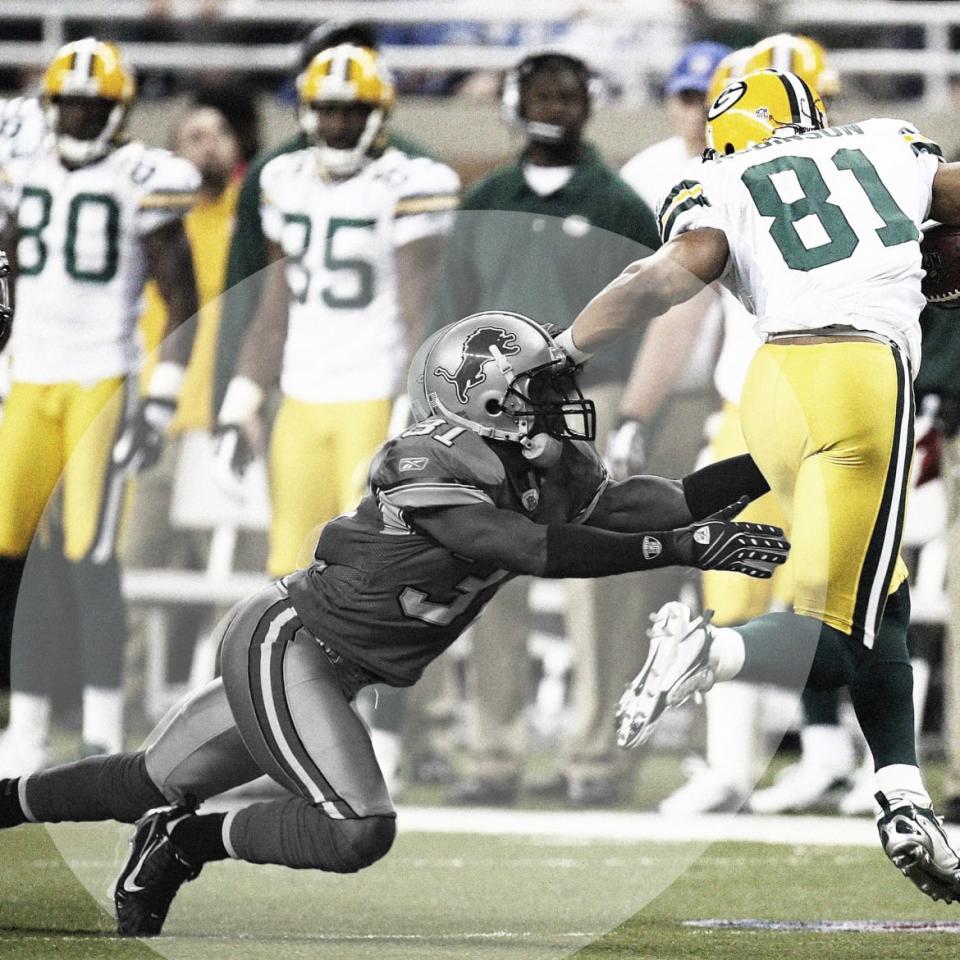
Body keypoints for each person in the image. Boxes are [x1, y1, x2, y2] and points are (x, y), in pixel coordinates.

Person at [0, 312, 788, 937]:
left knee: (151, 780)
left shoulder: (544, 462)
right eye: (537, 388)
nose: (555, 402)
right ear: (484, 398)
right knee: (358, 830)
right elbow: (519, 547)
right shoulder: (421, 459)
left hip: (338, 667)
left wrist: (772, 463)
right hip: (290, 642)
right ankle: (186, 841)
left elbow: (654, 501)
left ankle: (148, 830)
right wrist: (681, 549)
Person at [559, 67, 960, 902]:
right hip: (859, 372)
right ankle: (714, 650)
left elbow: (665, 279)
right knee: (844, 629)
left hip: (769, 387)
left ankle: (901, 794)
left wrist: (566, 349)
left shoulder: (712, 174)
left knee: (879, 590)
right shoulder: (884, 142)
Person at [429, 49, 662, 807]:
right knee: (490, 580)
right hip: (489, 414)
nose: (554, 105)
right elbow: (452, 312)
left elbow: (644, 313)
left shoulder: (619, 201)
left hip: (585, 402)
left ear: (590, 102)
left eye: (567, 92)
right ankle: (494, 755)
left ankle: (596, 760)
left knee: (597, 583)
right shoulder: (486, 195)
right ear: (512, 100)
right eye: (540, 92)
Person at [0, 38, 199, 773]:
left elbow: (181, 296)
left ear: (119, 110)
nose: (79, 115)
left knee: (90, 557)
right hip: (29, 381)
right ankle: (24, 726)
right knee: (14, 556)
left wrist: (159, 402)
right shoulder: (24, 170)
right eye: (69, 103)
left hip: (100, 383)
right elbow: (10, 262)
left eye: (94, 103)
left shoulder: (142, 177)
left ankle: (103, 729)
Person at [214, 43, 459, 579]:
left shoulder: (410, 183)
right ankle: (293, 665)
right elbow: (274, 307)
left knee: (368, 563)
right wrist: (242, 401)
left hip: (370, 394)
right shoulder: (284, 180)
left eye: (353, 110)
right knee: (288, 566)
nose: (340, 123)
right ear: (308, 111)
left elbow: (421, 310)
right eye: (329, 110)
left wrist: (414, 403)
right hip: (300, 397)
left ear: (380, 113)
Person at [213, 19, 431, 415]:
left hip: (381, 384)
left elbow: (433, 302)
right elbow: (244, 296)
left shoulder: (417, 172)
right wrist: (233, 399)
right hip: (291, 385)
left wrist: (419, 399)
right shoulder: (273, 174)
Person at [125, 101, 255, 720]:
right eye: (192, 136)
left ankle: (237, 722)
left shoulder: (254, 217)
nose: (206, 145)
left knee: (240, 592)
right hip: (159, 422)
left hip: (229, 422)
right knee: (131, 577)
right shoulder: (153, 221)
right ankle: (116, 722)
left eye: (217, 133)